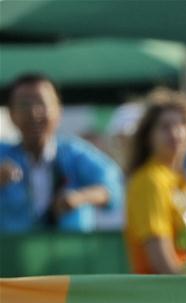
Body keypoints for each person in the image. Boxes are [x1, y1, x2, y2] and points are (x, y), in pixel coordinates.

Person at [0, 73, 121, 234]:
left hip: (69, 253)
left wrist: (80, 197)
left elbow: (115, 188)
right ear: (11, 115)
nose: (33, 112)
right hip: (13, 255)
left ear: (59, 111)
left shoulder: (74, 153)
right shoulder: (3, 155)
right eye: (24, 105)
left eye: (41, 103)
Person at [125, 89, 186, 275]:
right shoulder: (150, 181)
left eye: (183, 124)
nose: (176, 133)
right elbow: (161, 263)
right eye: (165, 126)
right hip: (164, 296)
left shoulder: (183, 182)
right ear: (148, 137)